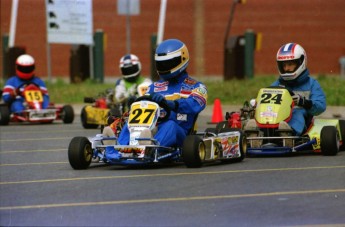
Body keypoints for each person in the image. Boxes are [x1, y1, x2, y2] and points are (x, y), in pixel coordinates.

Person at [105, 39, 207, 153]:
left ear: (182, 59)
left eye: (167, 63)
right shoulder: (154, 86)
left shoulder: (196, 86)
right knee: (131, 122)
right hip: (152, 126)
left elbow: (195, 104)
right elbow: (145, 106)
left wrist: (173, 104)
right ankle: (118, 148)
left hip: (181, 132)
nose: (164, 67)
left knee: (170, 125)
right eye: (161, 64)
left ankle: (149, 148)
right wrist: (135, 103)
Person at [245, 43, 326, 139]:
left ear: (301, 63)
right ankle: (256, 133)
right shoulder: (277, 84)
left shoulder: (311, 84)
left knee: (297, 113)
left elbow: (321, 105)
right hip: (277, 117)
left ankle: (288, 133)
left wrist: (304, 102)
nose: (287, 68)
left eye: (290, 64)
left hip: (301, 119)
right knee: (265, 113)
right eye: (284, 65)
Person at [102, 54, 152, 142]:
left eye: (131, 69)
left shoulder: (146, 82)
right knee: (113, 116)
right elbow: (118, 98)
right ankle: (112, 135)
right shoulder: (121, 83)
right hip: (127, 114)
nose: (129, 71)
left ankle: (146, 136)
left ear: (138, 66)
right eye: (127, 70)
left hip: (146, 112)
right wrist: (128, 95)